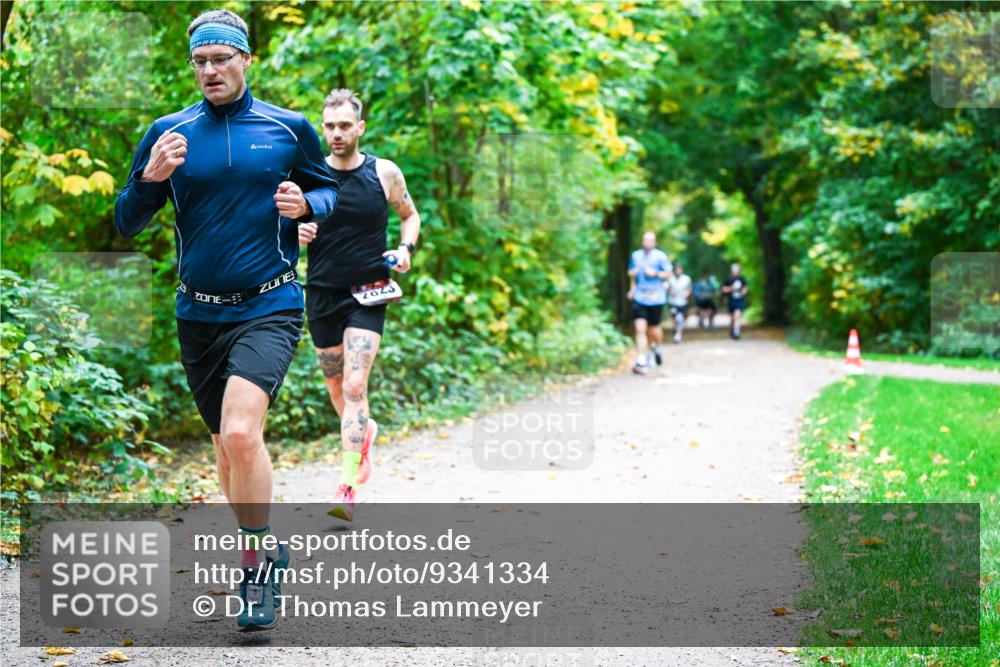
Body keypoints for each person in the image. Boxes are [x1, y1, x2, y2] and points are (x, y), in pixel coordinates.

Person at [114, 9, 340, 631]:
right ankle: (260, 547)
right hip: (198, 312)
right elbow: (127, 220)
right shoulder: (168, 132)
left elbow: (329, 190)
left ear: (245, 60)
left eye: (221, 59)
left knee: (241, 435)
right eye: (200, 61)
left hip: (269, 303)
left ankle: (258, 565)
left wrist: (307, 202)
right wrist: (150, 178)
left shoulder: (288, 128)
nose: (210, 70)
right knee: (223, 445)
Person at [298, 89, 421, 522]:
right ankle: (363, 432)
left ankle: (346, 485)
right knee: (336, 387)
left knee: (354, 385)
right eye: (329, 126)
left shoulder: (384, 172)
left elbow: (410, 215)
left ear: (360, 128)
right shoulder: (310, 177)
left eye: (345, 125)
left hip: (369, 291)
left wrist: (405, 250)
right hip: (322, 293)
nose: (336, 133)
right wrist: (295, 233)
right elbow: (279, 228)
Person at [627, 231, 671, 374]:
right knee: (640, 328)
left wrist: (655, 273)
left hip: (656, 298)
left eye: (650, 240)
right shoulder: (636, 256)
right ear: (642, 241)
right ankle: (641, 359)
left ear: (655, 242)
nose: (647, 242)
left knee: (653, 330)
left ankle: (656, 348)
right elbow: (631, 274)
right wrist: (632, 289)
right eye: (645, 240)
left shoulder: (661, 256)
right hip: (640, 297)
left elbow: (668, 274)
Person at [667, 263, 693, 344]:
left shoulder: (687, 279)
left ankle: (678, 335)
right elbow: (667, 289)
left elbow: (690, 290)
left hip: (683, 302)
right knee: (674, 318)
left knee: (682, 319)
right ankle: (675, 331)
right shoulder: (670, 279)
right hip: (673, 302)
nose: (678, 271)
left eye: (679, 269)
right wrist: (671, 292)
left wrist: (687, 295)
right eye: (676, 270)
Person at [721, 262, 748, 339]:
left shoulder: (741, 279)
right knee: (732, 318)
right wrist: (731, 288)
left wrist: (743, 292)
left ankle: (737, 332)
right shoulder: (728, 279)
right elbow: (723, 289)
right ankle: (732, 330)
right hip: (731, 300)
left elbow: (745, 288)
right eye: (734, 270)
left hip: (739, 300)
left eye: (737, 269)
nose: (736, 271)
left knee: (737, 314)